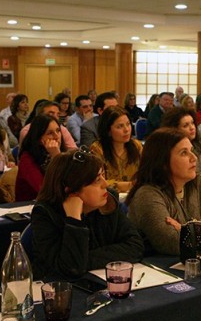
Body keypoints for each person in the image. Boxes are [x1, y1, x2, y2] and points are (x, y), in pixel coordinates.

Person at [31, 149, 144, 281]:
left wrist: (84, 259)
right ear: (71, 189)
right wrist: (74, 221)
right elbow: (71, 268)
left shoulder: (108, 203)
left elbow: (135, 247)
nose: (105, 184)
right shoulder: (45, 215)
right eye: (96, 180)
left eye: (103, 175)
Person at [127, 128, 201, 255]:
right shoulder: (147, 194)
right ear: (163, 162)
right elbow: (174, 243)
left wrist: (186, 228)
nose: (194, 158)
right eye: (184, 153)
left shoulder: (200, 182)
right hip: (158, 269)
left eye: (191, 150)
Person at [90, 106, 143, 192]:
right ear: (108, 131)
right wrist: (129, 185)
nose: (126, 130)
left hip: (134, 195)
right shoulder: (98, 149)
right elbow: (96, 182)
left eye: (128, 124)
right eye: (120, 126)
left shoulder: (136, 145)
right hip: (108, 197)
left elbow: (146, 175)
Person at [16, 115, 65, 202]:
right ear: (39, 138)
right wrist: (56, 157)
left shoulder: (64, 154)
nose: (57, 136)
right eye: (50, 133)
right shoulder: (27, 159)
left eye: (58, 131)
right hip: (30, 208)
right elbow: (44, 191)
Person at [161, 107, 201, 182]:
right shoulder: (169, 150)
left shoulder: (198, 146)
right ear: (174, 129)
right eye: (185, 125)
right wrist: (200, 178)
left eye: (192, 123)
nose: (192, 128)